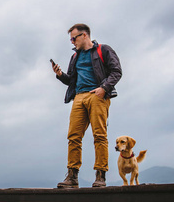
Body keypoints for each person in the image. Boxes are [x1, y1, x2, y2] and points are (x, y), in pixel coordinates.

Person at [52, 23, 122, 188]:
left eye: (73, 38)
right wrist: (60, 74)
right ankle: (72, 177)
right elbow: (71, 81)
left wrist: (104, 88)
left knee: (99, 136)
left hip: (97, 95)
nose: (72, 42)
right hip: (78, 97)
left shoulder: (103, 50)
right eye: (70, 39)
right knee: (73, 137)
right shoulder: (75, 57)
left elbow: (116, 71)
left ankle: (100, 176)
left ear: (84, 35)